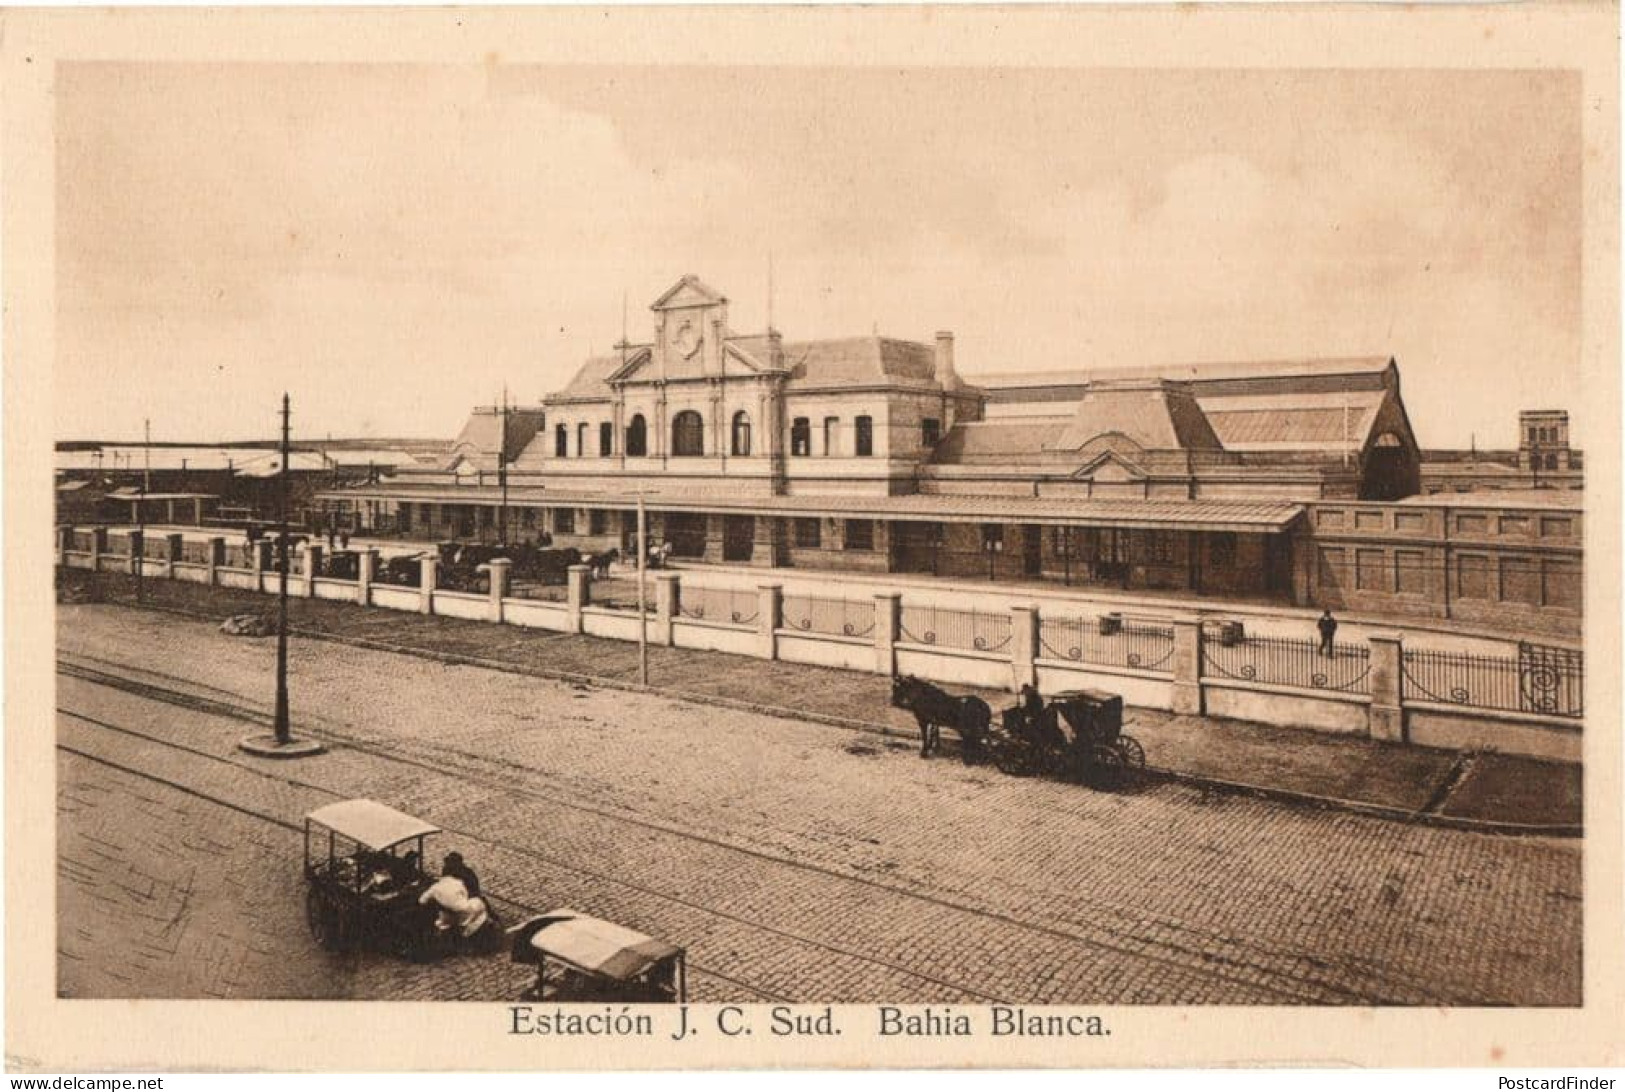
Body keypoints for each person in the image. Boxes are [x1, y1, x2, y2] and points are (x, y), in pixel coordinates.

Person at [418, 851, 489, 944]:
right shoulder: (460, 881)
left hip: (452, 911)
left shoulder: (437, 886)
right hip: (464, 904)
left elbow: (422, 900)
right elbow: (465, 894)